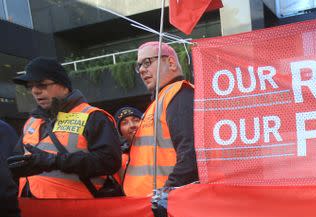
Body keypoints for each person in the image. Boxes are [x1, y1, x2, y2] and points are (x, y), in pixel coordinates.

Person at [8, 57, 121, 199]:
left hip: (79, 212)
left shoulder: (92, 116)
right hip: (33, 212)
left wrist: (55, 161)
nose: (35, 91)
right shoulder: (32, 122)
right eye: (31, 86)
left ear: (64, 85)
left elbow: (109, 161)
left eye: (41, 85)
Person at [122, 42, 197, 197]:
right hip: (153, 205)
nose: (142, 70)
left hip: (166, 206)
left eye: (147, 62)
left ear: (170, 62)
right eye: (139, 66)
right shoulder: (162, 100)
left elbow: (191, 155)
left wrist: (164, 194)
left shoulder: (179, 94)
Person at [114, 106, 142, 176]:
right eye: (124, 123)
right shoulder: (120, 160)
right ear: (120, 132)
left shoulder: (160, 147)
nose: (132, 125)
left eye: (136, 120)